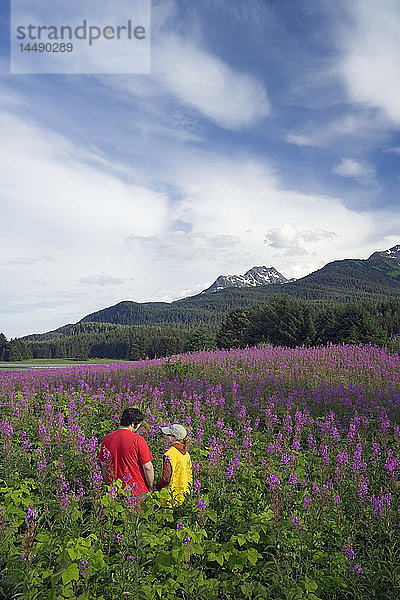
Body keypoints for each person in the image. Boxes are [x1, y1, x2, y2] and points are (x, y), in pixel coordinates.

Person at [98, 407, 154, 497]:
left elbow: (103, 465)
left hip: (115, 490)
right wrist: (151, 486)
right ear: (133, 423)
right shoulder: (138, 440)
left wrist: (108, 484)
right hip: (137, 490)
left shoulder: (107, 439)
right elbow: (148, 467)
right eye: (138, 425)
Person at [155, 424, 192, 507]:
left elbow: (166, 478)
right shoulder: (186, 454)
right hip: (182, 495)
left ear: (175, 438)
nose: (165, 436)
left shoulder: (169, 454)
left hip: (169, 498)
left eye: (168, 435)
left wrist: (157, 487)